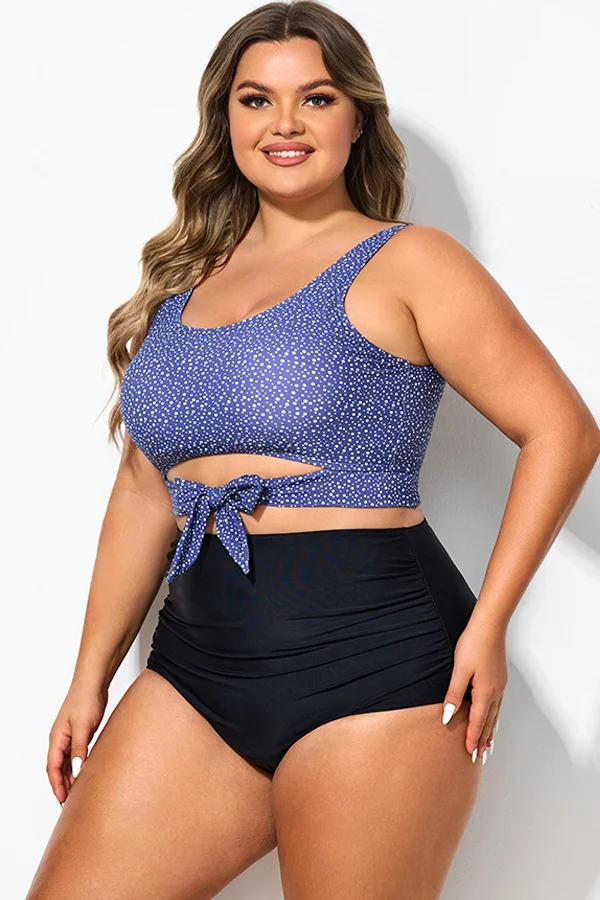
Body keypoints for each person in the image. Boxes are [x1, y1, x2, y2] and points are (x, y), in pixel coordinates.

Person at [27, 2, 600, 899]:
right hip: (198, 662)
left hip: (380, 659)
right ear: (225, 120)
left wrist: (488, 626)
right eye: (257, 99)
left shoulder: (410, 262)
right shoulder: (182, 284)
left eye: (317, 98)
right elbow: (145, 488)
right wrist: (87, 680)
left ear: (357, 119)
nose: (285, 124)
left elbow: (562, 430)